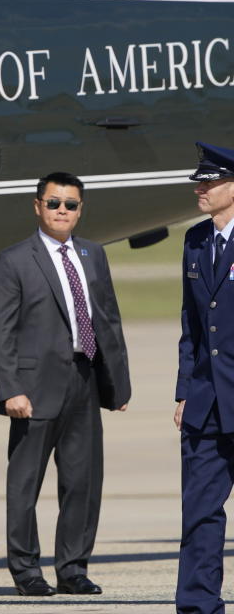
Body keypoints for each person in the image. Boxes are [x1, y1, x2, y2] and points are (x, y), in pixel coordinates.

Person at [0, 171, 131, 597]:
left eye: (70, 204)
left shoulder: (93, 254)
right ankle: (27, 571)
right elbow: (1, 330)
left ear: (80, 209)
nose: (62, 211)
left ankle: (72, 568)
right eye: (54, 203)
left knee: (82, 483)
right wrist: (10, 389)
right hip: (33, 387)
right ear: (37, 206)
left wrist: (117, 385)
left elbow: (108, 320)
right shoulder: (14, 260)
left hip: (84, 379)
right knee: (25, 485)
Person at [174, 141, 234, 614]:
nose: (202, 188)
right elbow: (191, 326)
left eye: (211, 181)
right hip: (205, 402)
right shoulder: (194, 240)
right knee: (199, 515)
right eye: (200, 180)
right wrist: (182, 392)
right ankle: (197, 607)